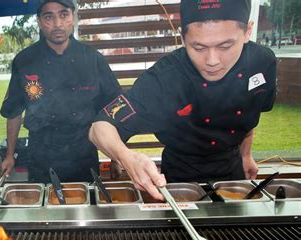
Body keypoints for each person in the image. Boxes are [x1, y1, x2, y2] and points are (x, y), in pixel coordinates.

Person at [89, 0, 277, 200]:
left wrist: (246, 155)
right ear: (182, 37)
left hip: (232, 169)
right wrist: (128, 158)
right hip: (180, 175)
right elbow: (99, 128)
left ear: (248, 31)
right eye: (198, 47)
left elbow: (250, 108)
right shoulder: (163, 77)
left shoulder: (262, 62)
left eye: (225, 46)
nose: (212, 61)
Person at [0, 0, 121, 183]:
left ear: (73, 17)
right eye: (49, 17)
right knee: (44, 209)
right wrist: (9, 156)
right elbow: (14, 113)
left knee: (85, 209)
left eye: (63, 15)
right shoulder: (24, 61)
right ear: (39, 22)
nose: (57, 24)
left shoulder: (94, 60)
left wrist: (116, 156)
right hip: (41, 156)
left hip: (83, 154)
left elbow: (114, 109)